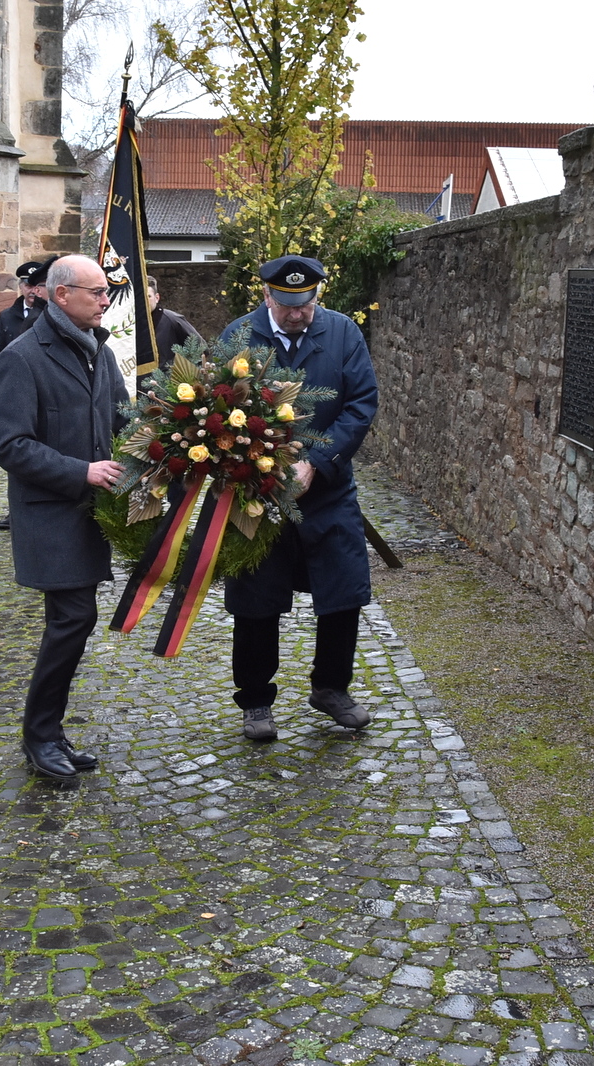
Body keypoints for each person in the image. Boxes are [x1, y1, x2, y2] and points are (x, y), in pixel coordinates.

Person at [217, 255, 379, 742]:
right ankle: (256, 701)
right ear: (267, 296)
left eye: (305, 304)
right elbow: (222, 406)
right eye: (287, 305)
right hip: (258, 492)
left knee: (343, 591)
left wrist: (317, 462)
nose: (296, 314)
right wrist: (265, 463)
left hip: (327, 490)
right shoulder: (238, 336)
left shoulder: (344, 333)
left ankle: (331, 688)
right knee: (256, 599)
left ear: (317, 297)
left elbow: (361, 403)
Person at [0, 254, 127, 781]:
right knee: (71, 620)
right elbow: (10, 445)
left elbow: (120, 421)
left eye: (106, 291)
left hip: (94, 513)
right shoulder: (23, 357)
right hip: (51, 513)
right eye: (95, 292)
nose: (105, 299)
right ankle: (40, 735)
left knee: (76, 621)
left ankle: (50, 729)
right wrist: (81, 472)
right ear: (61, 295)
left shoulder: (100, 351)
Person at [0, 258, 54, 532]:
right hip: (16, 389)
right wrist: (8, 372)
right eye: (27, 285)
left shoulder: (48, 317)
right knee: (18, 450)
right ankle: (14, 509)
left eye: (36, 285)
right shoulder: (8, 316)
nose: (31, 290)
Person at [0, 259, 50, 367]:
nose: (33, 291)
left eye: (37, 287)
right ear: (20, 287)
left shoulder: (51, 315)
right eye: (28, 286)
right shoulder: (7, 316)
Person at [146, 274, 202, 372]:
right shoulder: (130, 324)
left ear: (157, 297)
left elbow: (201, 349)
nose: (145, 301)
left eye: (148, 296)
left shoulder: (173, 320)